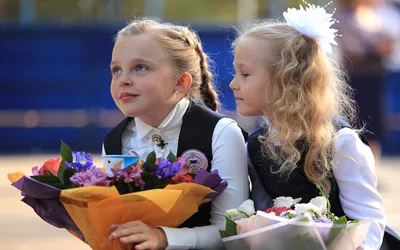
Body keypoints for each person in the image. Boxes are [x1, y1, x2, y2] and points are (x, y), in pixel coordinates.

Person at [229, 3, 386, 250]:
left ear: (285, 80)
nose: (233, 84)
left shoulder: (341, 142)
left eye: (245, 74)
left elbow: (369, 222)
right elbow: (263, 214)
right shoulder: (256, 144)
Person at [102, 19, 248, 249]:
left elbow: (233, 231)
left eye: (141, 67)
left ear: (180, 82)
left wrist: (163, 238)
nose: (123, 80)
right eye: (116, 70)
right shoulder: (113, 141)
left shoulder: (221, 133)